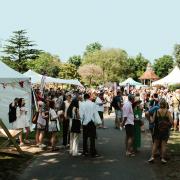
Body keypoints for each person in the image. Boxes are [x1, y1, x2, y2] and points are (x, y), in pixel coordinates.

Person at [148, 98, 173, 163]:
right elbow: (171, 122)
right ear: (165, 104)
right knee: (163, 144)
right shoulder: (168, 112)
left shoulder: (156, 111)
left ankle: (152, 157)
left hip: (157, 129)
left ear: (159, 104)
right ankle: (162, 158)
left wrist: (150, 118)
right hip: (165, 130)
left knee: (155, 144)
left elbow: (152, 121)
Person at [80, 93, 102, 157]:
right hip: (92, 122)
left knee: (85, 138)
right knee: (92, 138)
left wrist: (81, 122)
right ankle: (93, 152)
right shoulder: (93, 104)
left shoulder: (82, 104)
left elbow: (81, 115)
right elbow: (95, 113)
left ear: (84, 98)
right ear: (89, 97)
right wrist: (98, 122)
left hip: (85, 122)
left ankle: (85, 151)